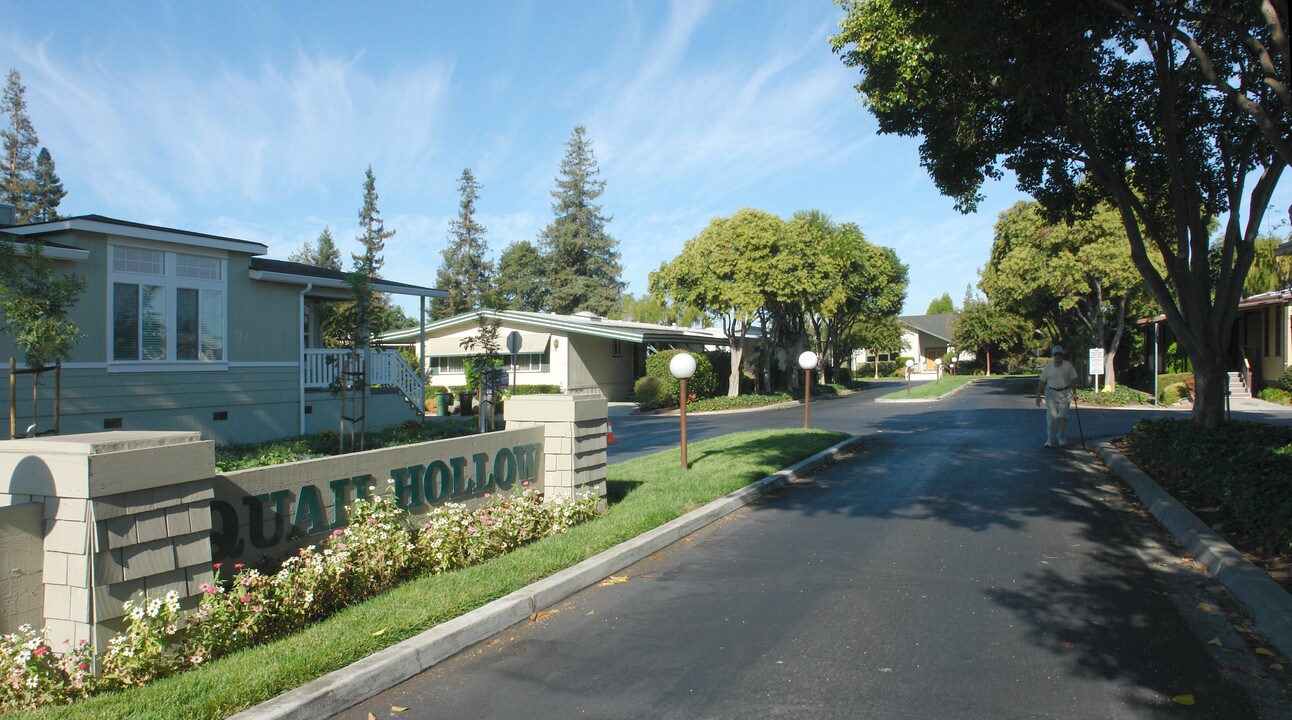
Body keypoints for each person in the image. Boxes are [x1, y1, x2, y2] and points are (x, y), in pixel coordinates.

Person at [1035, 345, 1079, 448]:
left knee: (1063, 417)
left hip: (1065, 393)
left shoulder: (1068, 366)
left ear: (1062, 356)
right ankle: (1050, 440)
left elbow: (1073, 380)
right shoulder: (1048, 367)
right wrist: (1038, 395)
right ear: (1053, 356)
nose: (1058, 357)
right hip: (1051, 394)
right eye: (1056, 354)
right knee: (1052, 417)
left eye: (1060, 355)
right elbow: (1042, 381)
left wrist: (1074, 393)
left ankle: (1061, 436)